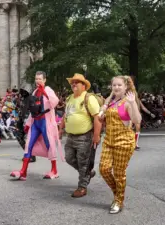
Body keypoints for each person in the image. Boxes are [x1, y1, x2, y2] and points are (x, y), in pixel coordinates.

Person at [98, 75, 141, 214]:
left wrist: (133, 102)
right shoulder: (110, 101)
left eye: (119, 85)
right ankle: (118, 193)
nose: (116, 87)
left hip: (124, 142)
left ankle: (118, 200)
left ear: (126, 87)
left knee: (118, 173)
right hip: (109, 141)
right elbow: (102, 112)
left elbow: (136, 120)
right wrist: (110, 96)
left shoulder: (128, 102)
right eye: (114, 85)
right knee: (103, 169)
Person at [10, 71, 63, 180]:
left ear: (44, 80)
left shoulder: (48, 90)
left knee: (50, 145)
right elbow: (32, 109)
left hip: (45, 122)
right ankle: (23, 172)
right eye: (36, 79)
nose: (37, 81)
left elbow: (55, 102)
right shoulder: (34, 92)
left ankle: (54, 170)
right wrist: (28, 124)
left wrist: (44, 91)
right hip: (36, 122)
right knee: (28, 145)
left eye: (39, 79)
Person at [59, 73, 101, 198]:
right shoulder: (70, 98)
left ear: (84, 85)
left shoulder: (89, 98)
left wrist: (96, 136)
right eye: (72, 82)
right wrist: (60, 128)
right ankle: (88, 173)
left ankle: (82, 187)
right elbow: (66, 115)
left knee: (83, 162)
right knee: (69, 158)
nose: (73, 84)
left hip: (85, 136)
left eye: (76, 82)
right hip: (71, 136)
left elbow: (97, 118)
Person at [17, 84, 36, 162]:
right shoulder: (22, 99)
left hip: (28, 121)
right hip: (21, 120)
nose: (23, 92)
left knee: (28, 139)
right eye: (22, 90)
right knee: (19, 137)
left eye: (24, 90)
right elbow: (21, 109)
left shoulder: (31, 98)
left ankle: (31, 155)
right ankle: (28, 153)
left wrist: (27, 121)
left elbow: (33, 110)